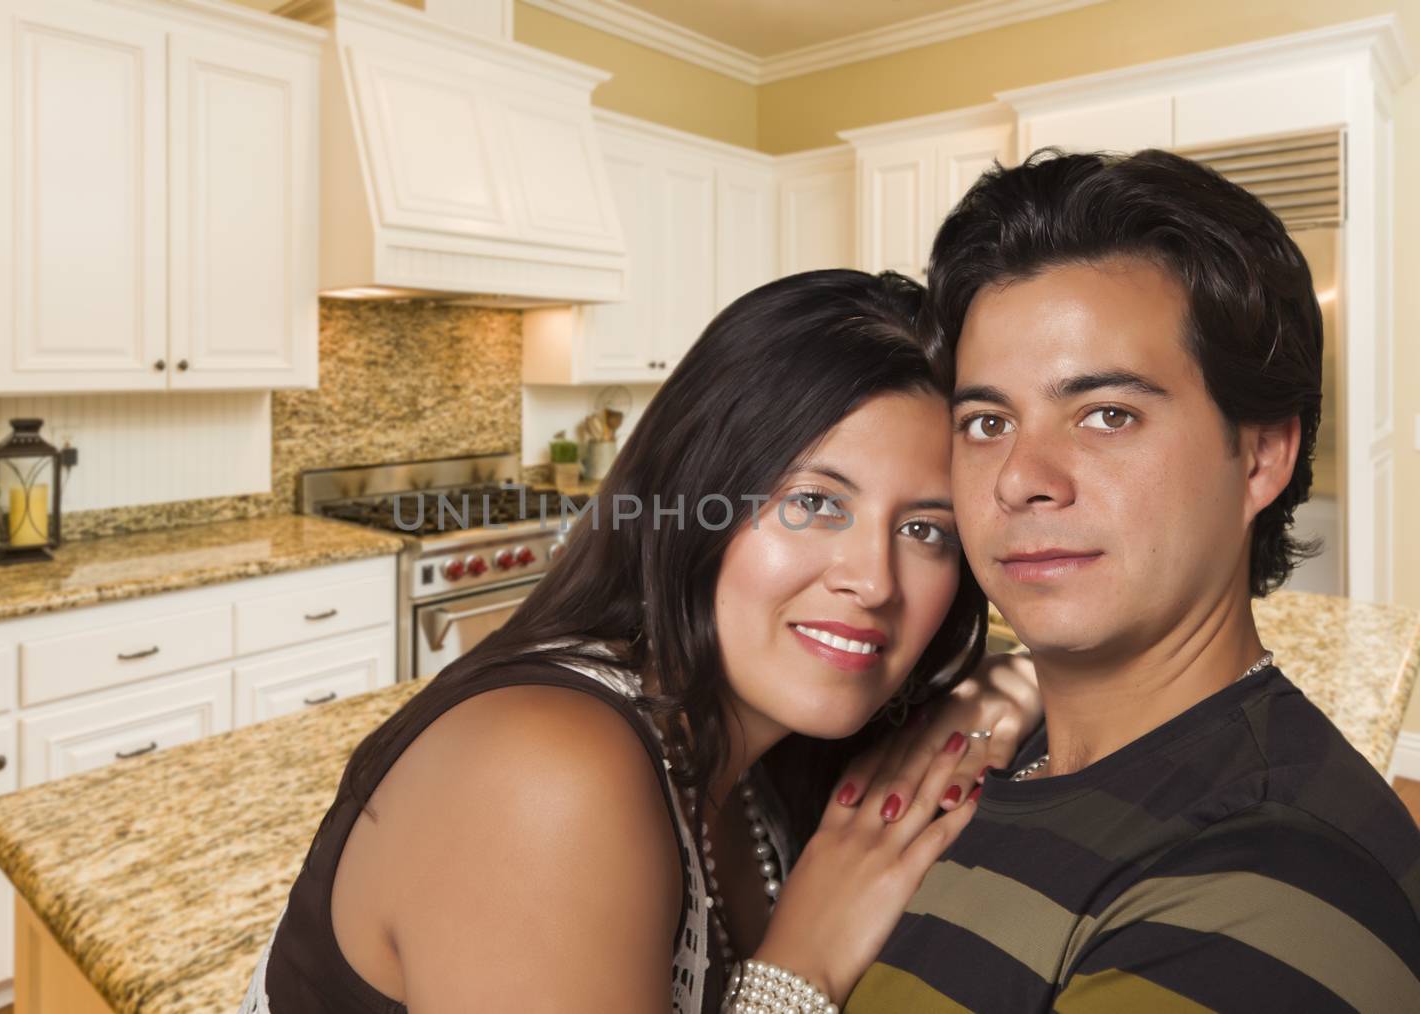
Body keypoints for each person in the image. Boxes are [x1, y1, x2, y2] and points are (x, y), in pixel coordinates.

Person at [239, 269, 1043, 1013]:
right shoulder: (544, 776)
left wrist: (996, 691)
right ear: (695, 497)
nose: (874, 581)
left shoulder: (758, 751)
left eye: (926, 530)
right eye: (814, 503)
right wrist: (800, 972)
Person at [846, 150, 1420, 1013]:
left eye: (1107, 414)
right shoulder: (995, 753)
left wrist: (785, 980)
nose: (1020, 477)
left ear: (1262, 454)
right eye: (988, 420)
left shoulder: (1265, 886)